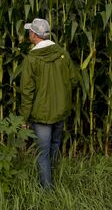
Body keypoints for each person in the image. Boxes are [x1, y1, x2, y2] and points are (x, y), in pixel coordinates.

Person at [19, 18, 80, 189]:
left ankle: (47, 191)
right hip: (61, 111)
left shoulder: (31, 59)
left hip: (41, 115)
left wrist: (24, 118)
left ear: (34, 35)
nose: (28, 33)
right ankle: (55, 177)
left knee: (42, 153)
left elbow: (27, 91)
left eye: (30, 31)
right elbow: (74, 80)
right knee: (55, 145)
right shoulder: (62, 54)